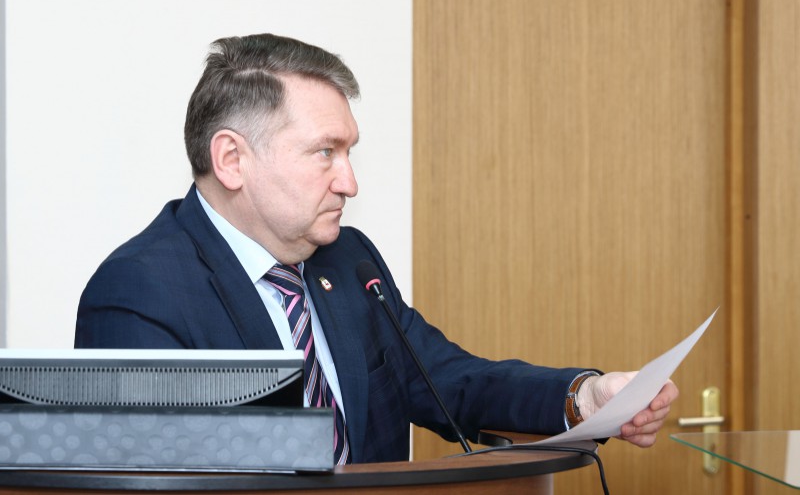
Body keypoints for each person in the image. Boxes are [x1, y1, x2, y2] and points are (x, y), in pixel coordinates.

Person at [75, 33, 678, 465]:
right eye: (325, 152)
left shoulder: (346, 258)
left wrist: (586, 396)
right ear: (232, 159)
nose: (349, 182)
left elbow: (450, 380)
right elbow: (151, 476)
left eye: (349, 153)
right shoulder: (139, 291)